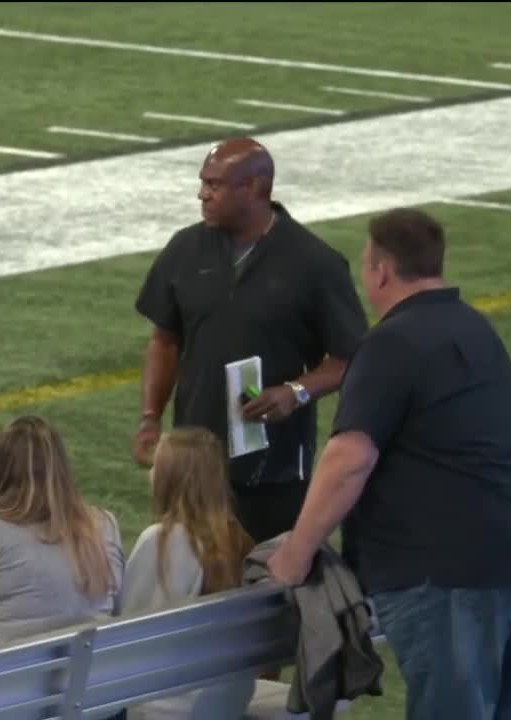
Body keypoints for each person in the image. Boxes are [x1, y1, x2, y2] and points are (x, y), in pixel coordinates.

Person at [266, 208, 511, 720]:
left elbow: (350, 458)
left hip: (450, 571)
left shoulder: (391, 343)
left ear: (381, 270)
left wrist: (296, 553)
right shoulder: (476, 328)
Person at [132, 137, 367, 545]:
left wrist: (295, 392)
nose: (201, 193)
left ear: (255, 187)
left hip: (273, 469)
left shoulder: (314, 263)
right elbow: (164, 340)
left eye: (214, 184)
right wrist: (151, 416)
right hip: (192, 462)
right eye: (203, 182)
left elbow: (351, 358)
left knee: (266, 583)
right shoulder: (185, 248)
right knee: (191, 580)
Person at [0, 416, 124, 657]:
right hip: (89, 688)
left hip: (4, 691)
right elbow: (118, 617)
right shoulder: (103, 526)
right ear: (62, 470)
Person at [120, 427, 257, 720]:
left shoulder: (163, 541)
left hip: (166, 703)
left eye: (157, 466)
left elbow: (125, 632)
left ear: (171, 479)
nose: (151, 473)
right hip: (226, 701)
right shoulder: (239, 540)